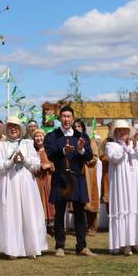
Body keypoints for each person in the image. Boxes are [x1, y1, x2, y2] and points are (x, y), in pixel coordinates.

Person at [44, 105, 95, 256]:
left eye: (69, 117)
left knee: (80, 213)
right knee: (60, 213)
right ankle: (60, 246)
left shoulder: (82, 136)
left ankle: (82, 246)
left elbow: (89, 156)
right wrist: (64, 151)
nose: (66, 119)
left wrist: (80, 149)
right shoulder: (52, 136)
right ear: (60, 119)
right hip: (61, 178)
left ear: (73, 119)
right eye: (64, 116)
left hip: (77, 177)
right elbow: (51, 154)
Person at [0, 116, 46, 259]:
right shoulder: (0, 145)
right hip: (9, 184)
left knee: (28, 214)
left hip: (26, 185)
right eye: (10, 126)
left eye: (15, 126)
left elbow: (36, 164)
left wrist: (25, 159)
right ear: (6, 129)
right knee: (11, 214)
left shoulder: (28, 143)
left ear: (20, 129)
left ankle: (31, 248)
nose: (13, 129)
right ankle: (12, 248)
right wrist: (11, 161)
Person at [104, 120, 138, 255]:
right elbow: (115, 158)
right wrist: (125, 147)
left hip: (136, 182)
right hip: (122, 183)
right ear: (115, 133)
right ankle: (125, 244)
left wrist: (136, 147)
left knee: (137, 207)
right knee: (124, 207)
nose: (122, 133)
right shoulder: (111, 145)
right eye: (119, 130)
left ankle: (137, 242)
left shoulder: (134, 145)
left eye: (125, 130)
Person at [31, 128, 54, 238]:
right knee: (40, 201)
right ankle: (42, 228)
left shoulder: (49, 150)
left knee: (50, 200)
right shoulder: (32, 152)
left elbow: (55, 163)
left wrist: (49, 165)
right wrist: (39, 167)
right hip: (38, 180)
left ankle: (52, 227)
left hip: (49, 179)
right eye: (36, 136)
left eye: (40, 136)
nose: (38, 138)